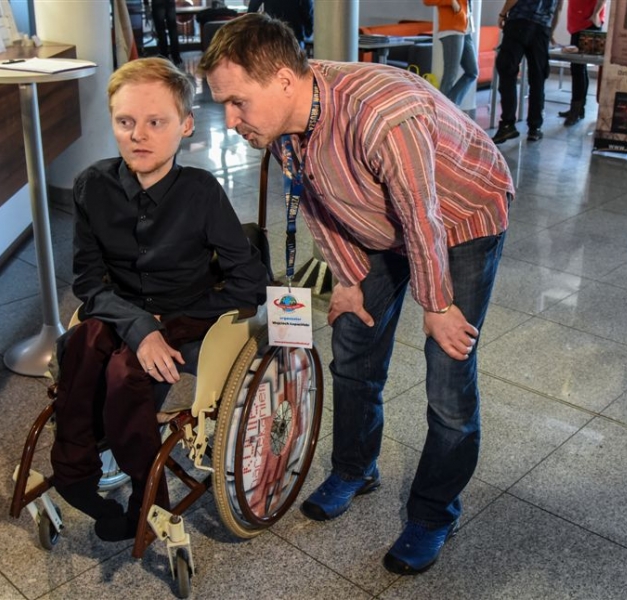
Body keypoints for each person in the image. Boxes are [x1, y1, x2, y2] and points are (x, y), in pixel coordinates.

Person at [199, 13, 512, 575]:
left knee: (448, 371)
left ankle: (434, 511)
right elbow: (317, 202)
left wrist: (437, 305)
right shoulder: (285, 122)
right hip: (382, 219)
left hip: (461, 216)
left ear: (284, 81)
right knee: (353, 345)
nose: (230, 119)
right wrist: (347, 280)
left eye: (237, 102)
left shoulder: (381, 115)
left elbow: (422, 216)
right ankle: (355, 468)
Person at [49, 57, 268, 542]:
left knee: (124, 371)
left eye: (156, 122)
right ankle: (74, 471)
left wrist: (174, 320)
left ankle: (147, 498)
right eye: (125, 122)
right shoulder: (92, 185)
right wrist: (139, 325)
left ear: (186, 126)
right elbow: (88, 281)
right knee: (84, 340)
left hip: (187, 312)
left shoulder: (201, 192)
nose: (138, 136)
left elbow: (250, 282)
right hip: (120, 308)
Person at [491, 0, 561, 143]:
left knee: (507, 70)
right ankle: (535, 128)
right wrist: (550, 31)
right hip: (542, 28)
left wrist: (502, 14)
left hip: (520, 21)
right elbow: (558, 8)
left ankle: (507, 124)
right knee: (538, 77)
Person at [558, 0, 606, 126]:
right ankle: (577, 109)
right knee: (578, 68)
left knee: (578, 68)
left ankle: (577, 110)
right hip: (578, 22)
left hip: (587, 22)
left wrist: (596, 14)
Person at [426, 0, 479, 106]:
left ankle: (449, 106)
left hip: (466, 29)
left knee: (472, 72)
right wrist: (452, 1)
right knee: (450, 75)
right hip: (452, 29)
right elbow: (427, 1)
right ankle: (442, 109)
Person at [247, 0, 313, 44]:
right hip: (295, 31)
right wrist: (308, 30)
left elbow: (253, 7)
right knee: (296, 58)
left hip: (272, 30)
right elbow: (307, 9)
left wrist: (250, 26)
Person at [150, 0, 183, 65]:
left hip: (157, 2)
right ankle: (176, 56)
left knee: (161, 30)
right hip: (170, 2)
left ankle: (164, 55)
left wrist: (146, 3)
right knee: (173, 30)